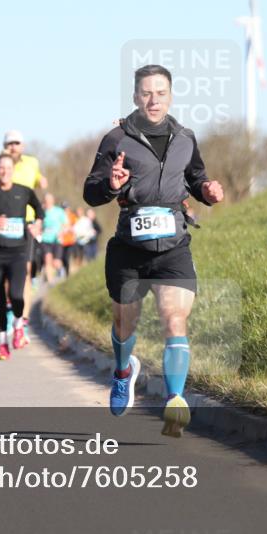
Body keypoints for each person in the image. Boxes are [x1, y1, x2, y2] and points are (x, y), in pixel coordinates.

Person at [83, 64, 224, 437]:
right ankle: (123, 372)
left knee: (174, 318)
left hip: (173, 245)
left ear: (171, 96)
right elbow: (91, 191)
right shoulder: (116, 138)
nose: (153, 99)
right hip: (129, 247)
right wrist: (111, 185)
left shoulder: (186, 137)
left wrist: (207, 190)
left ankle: (175, 400)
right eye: (146, 92)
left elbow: (195, 177)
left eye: (161, 92)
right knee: (123, 322)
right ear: (134, 97)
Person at [0, 131, 47, 344]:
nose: (14, 147)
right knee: (8, 279)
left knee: (26, 272)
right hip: (3, 228)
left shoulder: (32, 162)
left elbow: (36, 186)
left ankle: (20, 321)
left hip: (28, 225)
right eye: (9, 144)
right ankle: (13, 314)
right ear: (4, 146)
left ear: (23, 145)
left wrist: (42, 181)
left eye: (17, 143)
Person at [40, 194, 67, 284]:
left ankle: (62, 274)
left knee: (56, 263)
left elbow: (66, 224)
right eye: (46, 200)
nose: (47, 202)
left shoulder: (59, 211)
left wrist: (61, 232)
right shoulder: (41, 212)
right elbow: (39, 225)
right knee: (47, 259)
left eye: (49, 200)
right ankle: (50, 284)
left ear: (52, 201)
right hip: (45, 239)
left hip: (57, 240)